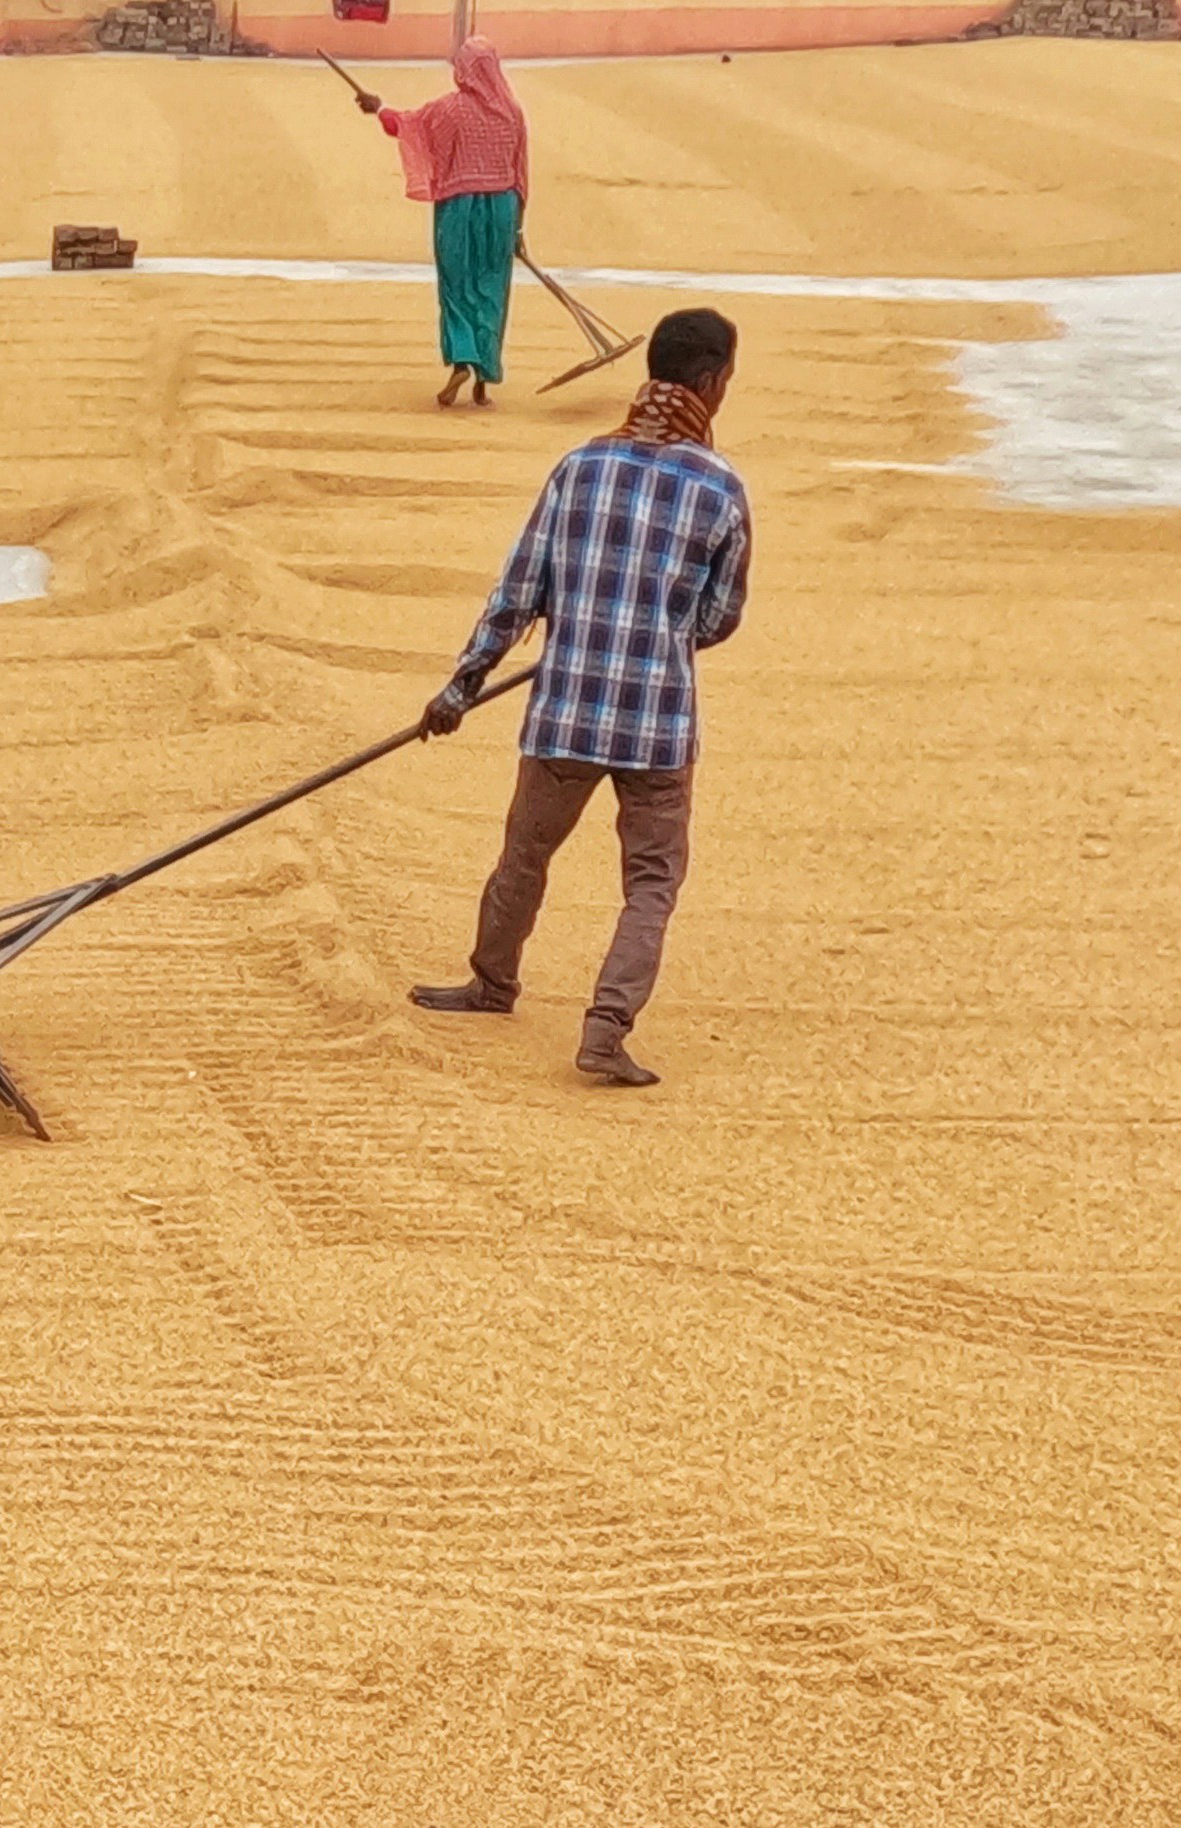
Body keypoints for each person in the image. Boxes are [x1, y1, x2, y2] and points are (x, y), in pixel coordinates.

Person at [409, 308, 750, 1090]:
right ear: (710, 383)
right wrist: (654, 635)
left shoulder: (579, 468)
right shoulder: (721, 489)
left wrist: (460, 689)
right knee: (653, 882)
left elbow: (517, 594)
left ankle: (492, 982)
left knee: (525, 852)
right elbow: (719, 618)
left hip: (564, 707)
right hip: (659, 721)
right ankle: (606, 1028)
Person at [358, 43, 527, 409]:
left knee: (456, 288)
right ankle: (484, 379)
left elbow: (408, 126)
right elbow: (521, 176)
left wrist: (378, 107)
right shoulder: (512, 113)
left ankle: (461, 362)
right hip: (501, 211)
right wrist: (518, 231)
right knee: (491, 291)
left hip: (458, 208)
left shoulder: (450, 110)